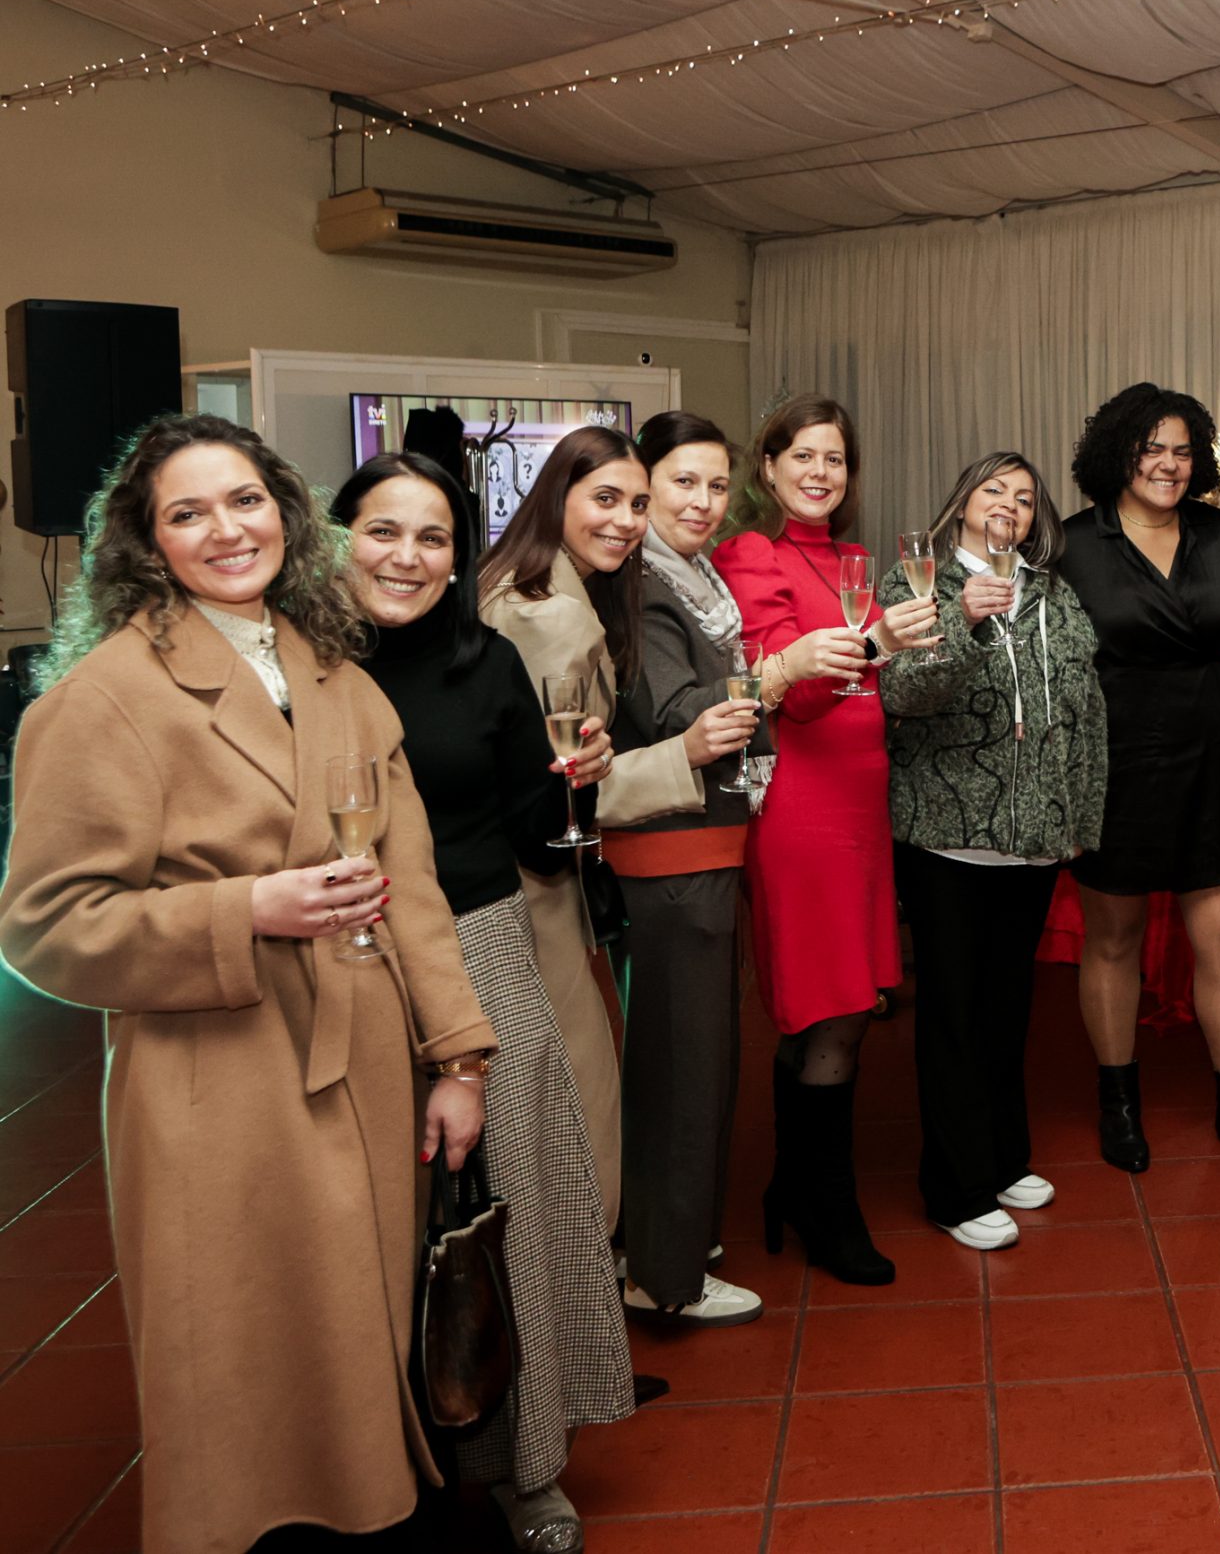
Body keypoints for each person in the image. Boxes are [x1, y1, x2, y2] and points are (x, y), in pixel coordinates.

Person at [0, 416, 496, 1554]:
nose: (226, 531)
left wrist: (459, 1056)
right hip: (216, 1087)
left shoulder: (335, 673)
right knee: (243, 1368)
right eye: (188, 513)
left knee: (363, 1342)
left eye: (245, 501)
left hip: (364, 1063)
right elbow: (44, 926)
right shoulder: (104, 698)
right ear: (148, 542)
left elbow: (411, 885)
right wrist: (244, 911)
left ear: (287, 514)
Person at [334, 452, 638, 1548]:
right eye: (383, 530)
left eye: (433, 538)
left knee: (516, 1203)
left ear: (459, 558)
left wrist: (576, 784)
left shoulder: (487, 660)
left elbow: (537, 840)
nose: (406, 557)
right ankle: (376, 1465)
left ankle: (528, 1465)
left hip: (482, 942)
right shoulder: (304, 669)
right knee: (371, 1217)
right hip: (344, 958)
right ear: (336, 539)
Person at [713, 394, 939, 1282]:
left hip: (860, 796)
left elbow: (868, 683)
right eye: (802, 456)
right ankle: (827, 1204)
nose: (820, 472)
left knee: (843, 1001)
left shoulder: (851, 557)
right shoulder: (750, 553)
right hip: (803, 807)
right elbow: (793, 693)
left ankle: (794, 1185)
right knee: (830, 1005)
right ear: (767, 467)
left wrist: (900, 651)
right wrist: (874, 643)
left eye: (835, 459)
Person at [1054, 384, 1220, 1170]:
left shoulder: (1215, 530)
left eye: (1182, 451)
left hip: (1202, 754)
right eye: (1151, 449)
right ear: (1118, 454)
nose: (1168, 464)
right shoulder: (1072, 543)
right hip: (1115, 762)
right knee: (1115, 939)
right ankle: (1119, 1105)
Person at [879, 452, 1110, 1249]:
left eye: (1025, 495)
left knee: (1007, 1008)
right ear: (963, 503)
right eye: (993, 490)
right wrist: (961, 620)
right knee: (952, 1013)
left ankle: (1004, 1157)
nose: (1010, 503)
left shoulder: (1052, 590)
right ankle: (955, 1188)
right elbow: (903, 695)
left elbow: (1082, 705)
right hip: (946, 835)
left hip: (1033, 839)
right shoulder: (918, 581)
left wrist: (1079, 814)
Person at [480, 426, 701, 1233]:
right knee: (573, 1100)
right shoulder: (549, 617)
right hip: (532, 895)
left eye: (637, 504)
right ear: (556, 498)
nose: (626, 521)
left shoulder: (537, 587)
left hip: (521, 886)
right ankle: (577, 1281)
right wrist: (683, 755)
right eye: (605, 499)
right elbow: (556, 793)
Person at [609, 411, 774, 1322]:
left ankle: (679, 1238)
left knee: (703, 1057)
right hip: (671, 849)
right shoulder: (641, 585)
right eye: (683, 482)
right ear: (644, 487)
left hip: (707, 842)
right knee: (682, 1064)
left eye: (716, 485)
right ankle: (663, 1279)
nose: (703, 502)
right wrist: (778, 674)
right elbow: (679, 713)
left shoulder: (694, 578)